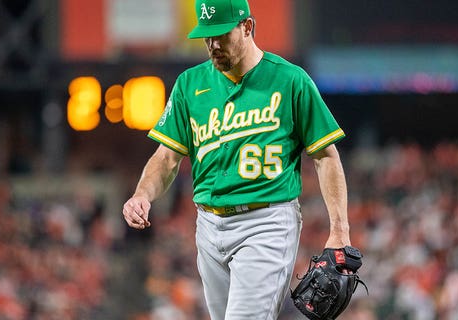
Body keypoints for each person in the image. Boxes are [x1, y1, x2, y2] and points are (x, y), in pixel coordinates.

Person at [122, 0, 354, 318]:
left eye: (221, 35)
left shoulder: (290, 80)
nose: (213, 45)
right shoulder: (189, 85)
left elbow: (326, 156)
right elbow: (166, 158)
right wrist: (142, 195)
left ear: (247, 27)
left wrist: (339, 230)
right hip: (207, 224)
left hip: (266, 222)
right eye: (207, 37)